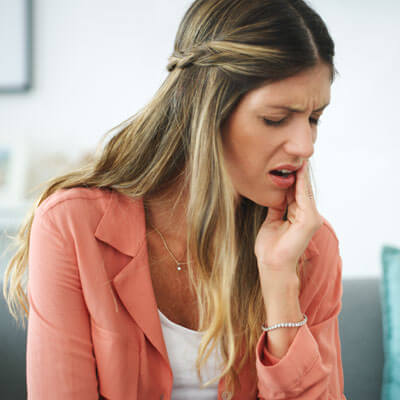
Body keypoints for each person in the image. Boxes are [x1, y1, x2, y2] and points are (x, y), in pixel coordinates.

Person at [2, 0, 346, 398]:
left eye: (314, 118)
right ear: (207, 110)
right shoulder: (72, 227)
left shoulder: (310, 248)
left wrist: (280, 281)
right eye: (275, 119)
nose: (305, 145)